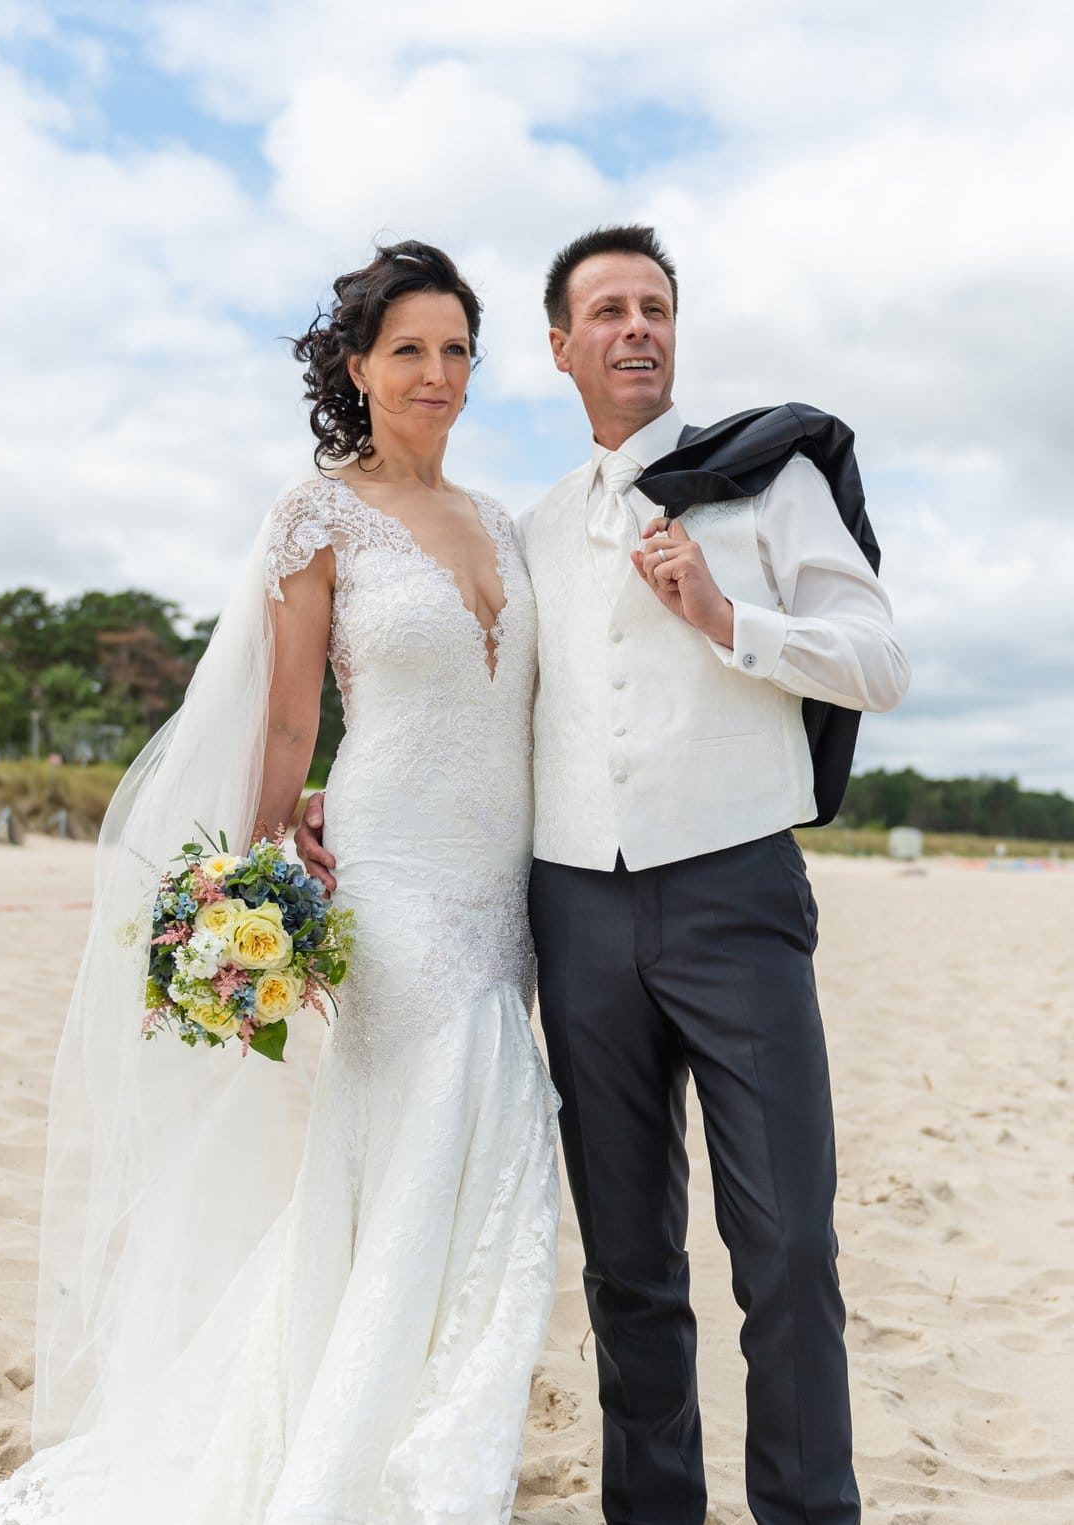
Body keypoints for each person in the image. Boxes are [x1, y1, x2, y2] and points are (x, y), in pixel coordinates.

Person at [298, 225, 910, 1525]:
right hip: (572, 914)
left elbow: (879, 664)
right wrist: (334, 798)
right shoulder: (526, 530)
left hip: (737, 897)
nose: (636, 328)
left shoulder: (773, 481)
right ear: (561, 348)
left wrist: (728, 618)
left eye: (655, 309)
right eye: (609, 312)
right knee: (627, 1264)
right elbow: (469, 707)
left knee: (788, 1245)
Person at [0, 240, 559, 1525]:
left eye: (457, 349)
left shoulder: (503, 523)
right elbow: (289, 718)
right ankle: (390, 1463)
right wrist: (255, 885)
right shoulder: (318, 515)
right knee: (457, 1119)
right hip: (388, 875)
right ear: (356, 367)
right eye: (408, 349)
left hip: (500, 883)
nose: (436, 372)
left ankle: (402, 1428)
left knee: (461, 1152)